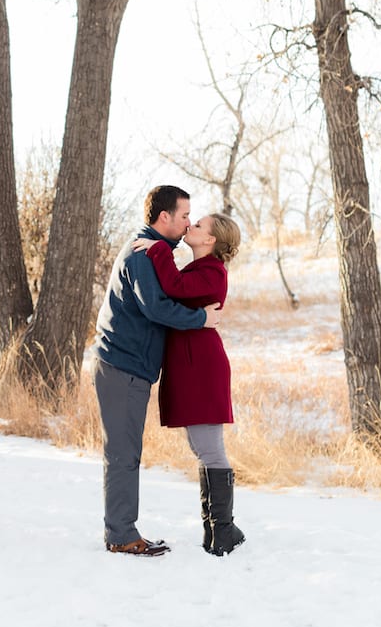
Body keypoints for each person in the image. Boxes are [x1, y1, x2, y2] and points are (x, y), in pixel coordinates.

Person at [93, 185, 222, 557]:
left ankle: (121, 530)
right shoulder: (143, 254)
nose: (188, 223)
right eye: (184, 215)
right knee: (123, 454)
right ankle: (121, 535)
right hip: (122, 366)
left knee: (126, 451)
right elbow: (157, 307)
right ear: (164, 217)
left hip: (129, 367)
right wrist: (201, 319)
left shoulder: (154, 251)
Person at [132, 212, 245, 556]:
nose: (190, 225)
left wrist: (157, 249)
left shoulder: (213, 271)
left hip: (203, 368)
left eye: (198, 225)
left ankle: (222, 530)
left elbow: (174, 288)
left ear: (210, 240)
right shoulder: (199, 268)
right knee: (202, 448)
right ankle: (218, 529)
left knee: (210, 449)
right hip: (192, 366)